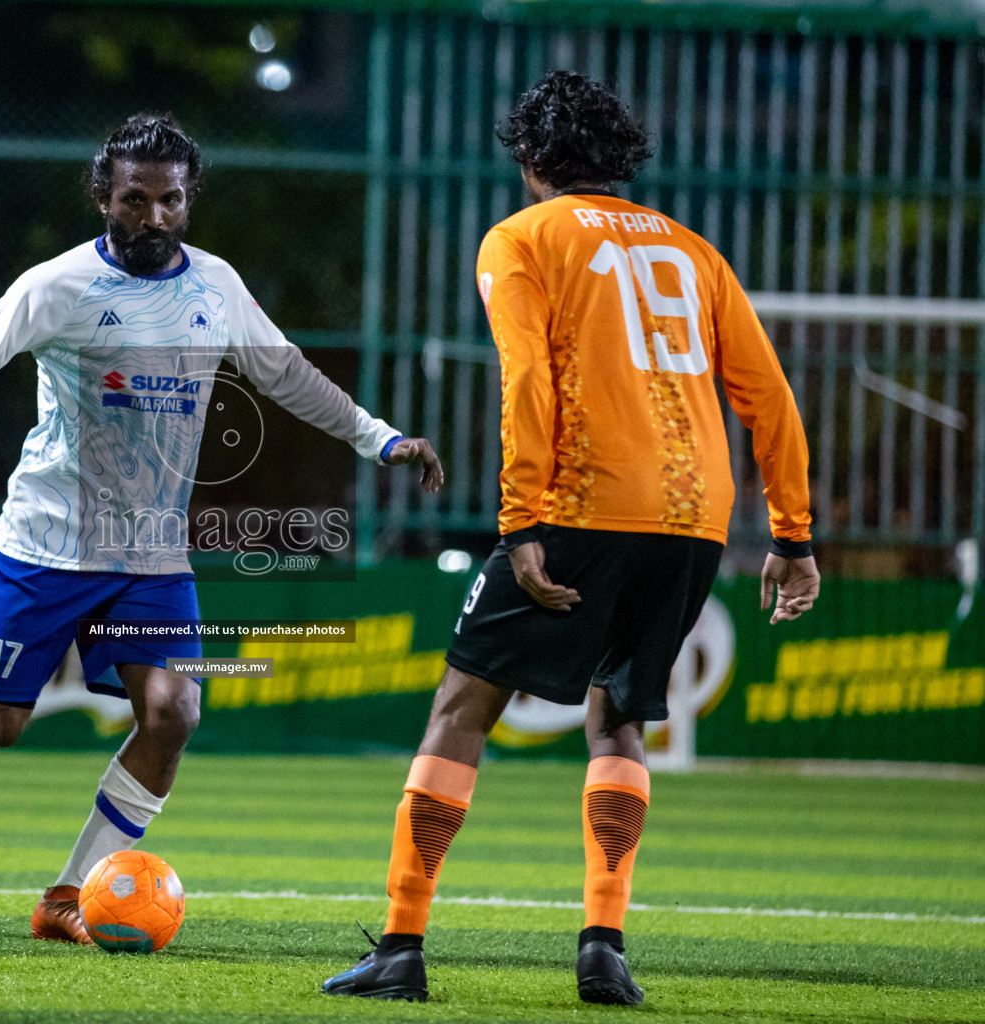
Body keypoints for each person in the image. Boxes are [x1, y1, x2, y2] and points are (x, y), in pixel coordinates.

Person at [0, 113, 445, 944]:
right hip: (46, 546)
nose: (154, 218)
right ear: (104, 196)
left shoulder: (216, 285)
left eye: (170, 201)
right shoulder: (56, 287)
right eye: (136, 199)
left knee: (173, 712)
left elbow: (285, 373)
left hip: (152, 556)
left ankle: (66, 898)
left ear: (188, 200)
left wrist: (378, 437)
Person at [321, 71, 820, 1007]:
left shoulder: (521, 238)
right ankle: (602, 947)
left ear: (531, 159)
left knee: (462, 707)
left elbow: (527, 385)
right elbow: (770, 397)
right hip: (691, 517)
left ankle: (401, 943)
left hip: (584, 503)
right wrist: (792, 533)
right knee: (617, 715)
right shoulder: (695, 252)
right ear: (619, 158)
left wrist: (522, 522)